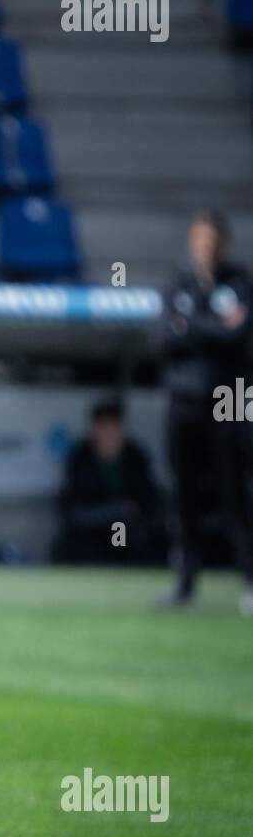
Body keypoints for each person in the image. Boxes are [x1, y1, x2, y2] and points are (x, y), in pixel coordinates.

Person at [160, 210, 253, 613]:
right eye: (199, 241)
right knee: (185, 495)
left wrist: (192, 325)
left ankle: (249, 580)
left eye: (211, 242)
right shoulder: (177, 283)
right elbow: (163, 336)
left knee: (236, 491)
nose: (205, 249)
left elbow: (239, 334)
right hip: (183, 400)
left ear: (222, 244)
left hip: (231, 397)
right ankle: (185, 582)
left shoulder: (238, 282)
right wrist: (213, 325)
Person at [52, 399, 165, 566]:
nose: (109, 433)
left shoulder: (136, 456)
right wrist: (113, 511)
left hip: (128, 532)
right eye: (103, 426)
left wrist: (132, 515)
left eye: (114, 426)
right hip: (92, 534)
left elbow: (150, 500)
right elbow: (71, 508)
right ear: (94, 429)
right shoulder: (80, 458)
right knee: (70, 550)